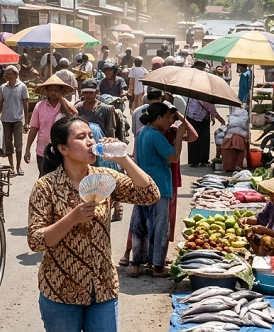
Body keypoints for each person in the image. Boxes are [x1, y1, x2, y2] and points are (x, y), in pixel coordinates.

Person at [28, 116, 159, 332]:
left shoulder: (104, 178)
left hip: (103, 288)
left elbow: (149, 194)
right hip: (61, 291)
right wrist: (71, 219)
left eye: (91, 135)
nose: (90, 141)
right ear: (63, 149)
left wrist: (123, 159)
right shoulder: (46, 187)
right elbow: (36, 240)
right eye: (81, 137)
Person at [129, 102, 188, 278]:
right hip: (159, 187)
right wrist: (178, 136)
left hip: (142, 185)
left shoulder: (141, 133)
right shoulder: (156, 136)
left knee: (140, 226)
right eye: (169, 118)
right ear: (159, 118)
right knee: (160, 227)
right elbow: (174, 157)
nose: (171, 121)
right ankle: (157, 267)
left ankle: (136, 264)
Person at [25, 75, 79, 177]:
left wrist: (62, 100)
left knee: (63, 177)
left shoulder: (65, 104)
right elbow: (34, 128)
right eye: (51, 90)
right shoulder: (39, 106)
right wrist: (27, 149)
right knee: (44, 177)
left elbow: (75, 116)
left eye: (56, 90)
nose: (53, 93)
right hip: (43, 149)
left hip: (63, 149)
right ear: (46, 91)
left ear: (61, 91)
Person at [0, 65, 30, 175]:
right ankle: (11, 166)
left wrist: (26, 122)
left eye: (8, 73)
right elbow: (0, 103)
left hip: (18, 120)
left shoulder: (22, 87)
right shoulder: (3, 87)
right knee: (8, 144)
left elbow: (26, 104)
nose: (5, 75)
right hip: (5, 120)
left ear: (16, 75)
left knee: (18, 144)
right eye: (5, 73)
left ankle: (18, 166)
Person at [184, 90, 225, 167]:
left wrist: (212, 116)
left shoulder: (195, 90)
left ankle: (196, 161)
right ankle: (200, 160)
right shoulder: (201, 92)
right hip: (197, 118)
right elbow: (208, 105)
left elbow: (209, 105)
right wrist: (220, 118)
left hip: (195, 117)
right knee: (202, 138)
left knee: (196, 139)